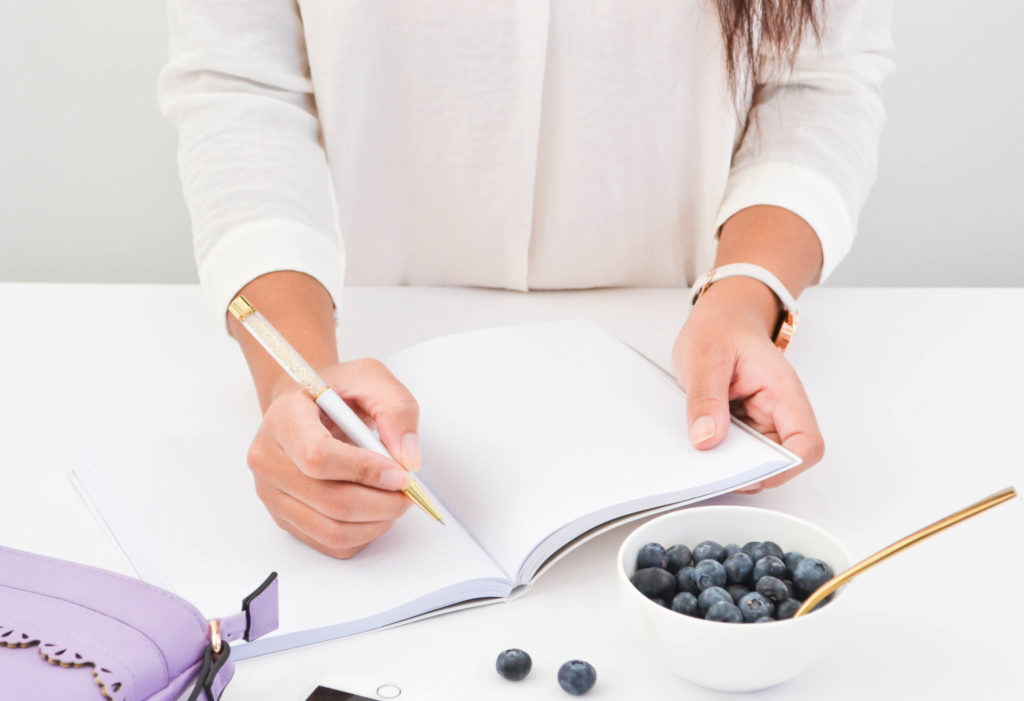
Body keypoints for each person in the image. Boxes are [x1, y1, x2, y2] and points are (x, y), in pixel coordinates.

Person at [159, 1, 892, 558]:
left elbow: (815, 84)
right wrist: (298, 373)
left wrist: (746, 293)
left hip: (669, 357)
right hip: (371, 340)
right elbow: (240, 87)